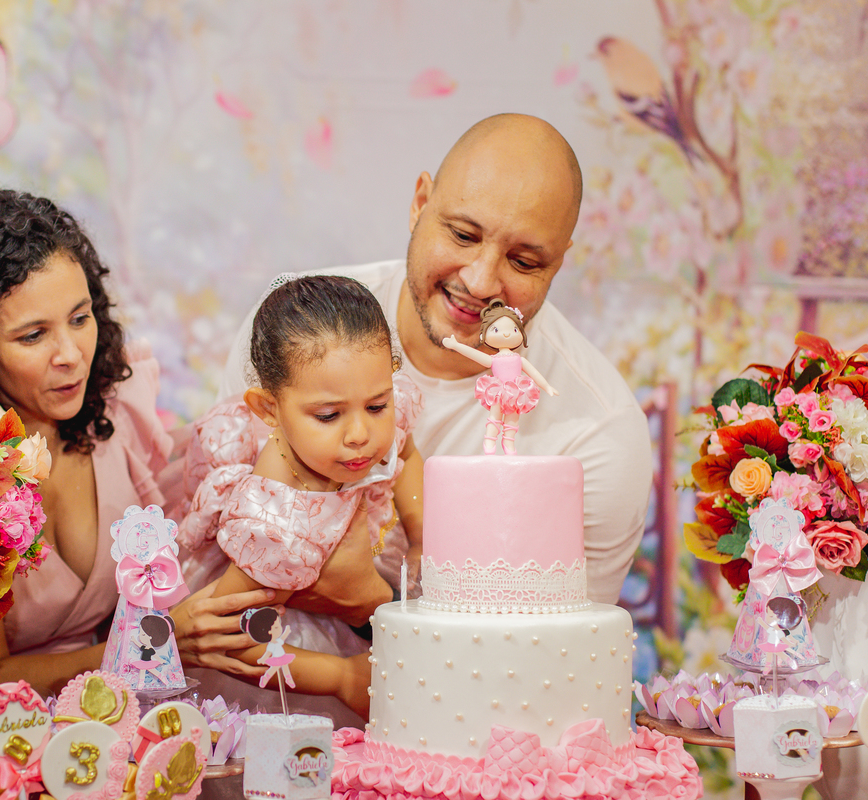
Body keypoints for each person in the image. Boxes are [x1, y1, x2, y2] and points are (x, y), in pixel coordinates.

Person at [0, 189, 274, 712]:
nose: (71, 354)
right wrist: (152, 647)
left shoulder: (117, 418)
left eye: (80, 318)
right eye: (33, 336)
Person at [218, 114, 652, 606]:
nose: (480, 282)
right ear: (420, 203)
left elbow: (557, 643)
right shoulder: (294, 328)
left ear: (559, 260)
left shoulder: (599, 433)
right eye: (463, 235)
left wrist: (368, 604)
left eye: (524, 261)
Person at [181, 275, 422, 659]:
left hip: (382, 580)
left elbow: (405, 451)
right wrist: (341, 680)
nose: (360, 434)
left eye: (377, 406)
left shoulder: (379, 408)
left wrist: (420, 532)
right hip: (301, 645)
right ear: (268, 408)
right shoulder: (273, 521)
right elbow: (225, 634)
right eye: (328, 416)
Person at [443, 298, 558, 454]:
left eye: (514, 329)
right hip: (497, 391)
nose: (506, 333)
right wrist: (457, 346)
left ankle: (509, 444)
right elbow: (475, 355)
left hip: (516, 392)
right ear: (484, 336)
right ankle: (489, 441)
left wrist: (547, 386)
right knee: (494, 417)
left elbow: (534, 373)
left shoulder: (519, 359)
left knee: (512, 420)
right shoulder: (493, 360)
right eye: (496, 330)